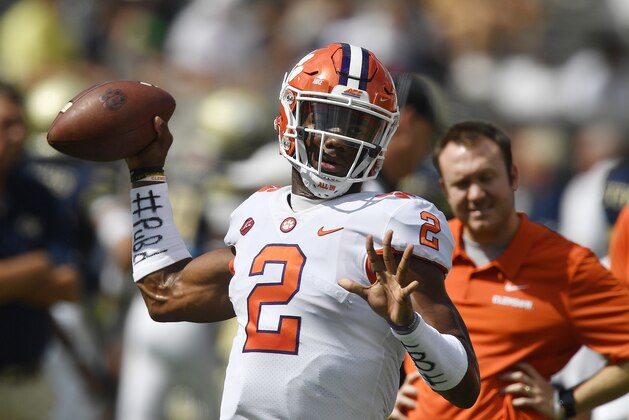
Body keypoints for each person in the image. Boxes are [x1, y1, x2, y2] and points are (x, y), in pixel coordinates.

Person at [119, 43, 480, 418]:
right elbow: (163, 295)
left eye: (358, 124)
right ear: (291, 114)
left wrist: (409, 326)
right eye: (326, 117)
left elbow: (464, 385)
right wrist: (146, 174)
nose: (339, 137)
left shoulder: (391, 222)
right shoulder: (258, 215)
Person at [389, 120, 629, 419]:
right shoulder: (424, 254)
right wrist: (386, 395)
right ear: (445, 190)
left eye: (486, 177)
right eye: (462, 183)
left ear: (513, 176)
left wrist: (566, 403)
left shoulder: (567, 264)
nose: (476, 193)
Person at [0, 80, 83, 419]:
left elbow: (68, 284)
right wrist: (36, 267)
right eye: (5, 126)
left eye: (20, 124)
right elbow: (49, 270)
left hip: (27, 382)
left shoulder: (38, 194)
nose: (18, 135)